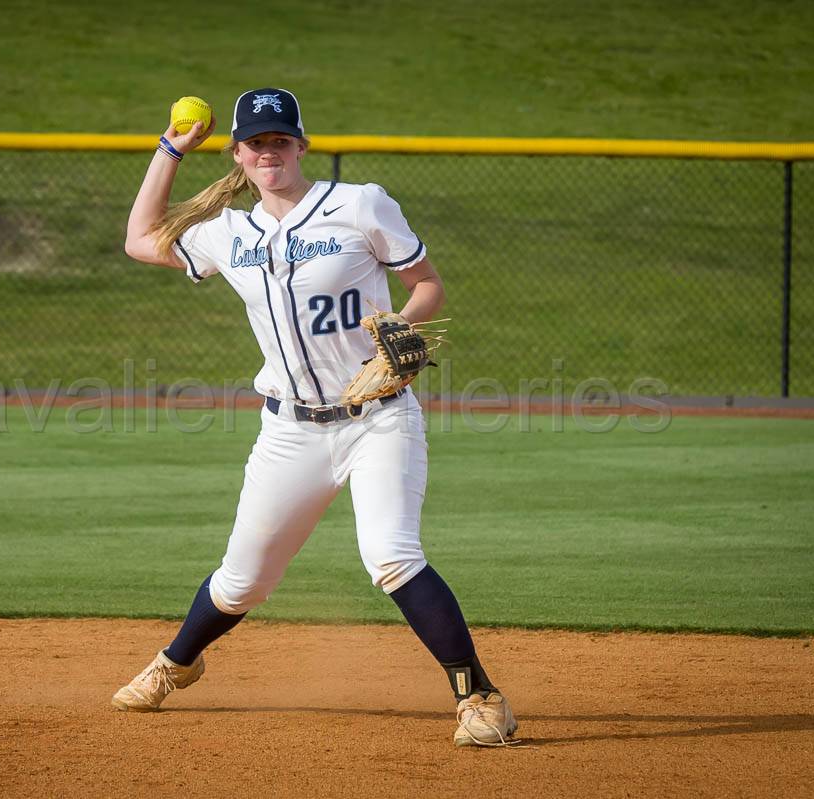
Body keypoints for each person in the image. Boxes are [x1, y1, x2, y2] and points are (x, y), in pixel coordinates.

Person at [116, 88, 517, 747]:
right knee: (243, 579)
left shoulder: (358, 204)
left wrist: (399, 323)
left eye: (280, 139)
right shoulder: (228, 233)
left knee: (390, 554)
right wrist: (170, 149)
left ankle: (480, 697)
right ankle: (176, 663)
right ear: (239, 154)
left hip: (378, 418)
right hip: (290, 429)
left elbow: (429, 286)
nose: (268, 151)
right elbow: (137, 240)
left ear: (301, 145)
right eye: (255, 142)